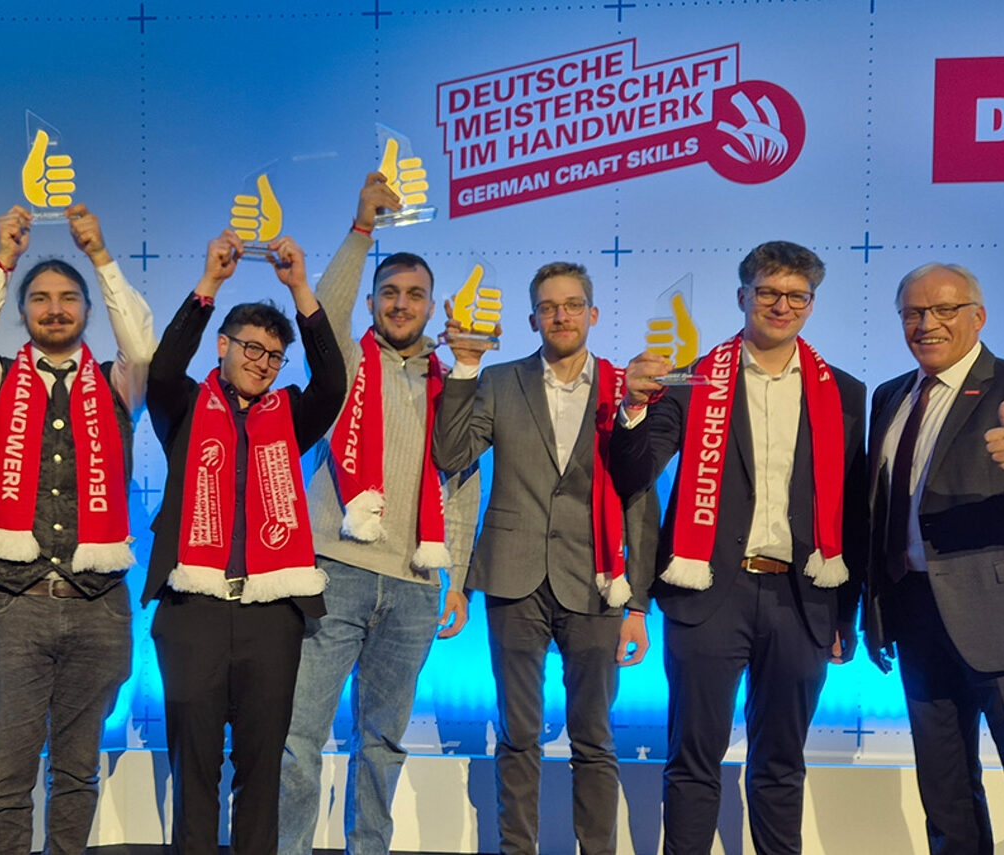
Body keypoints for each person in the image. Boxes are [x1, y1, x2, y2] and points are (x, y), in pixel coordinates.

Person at [610, 240, 867, 855]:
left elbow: (854, 513)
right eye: (768, 292)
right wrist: (631, 408)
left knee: (782, 764)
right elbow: (634, 472)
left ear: (811, 304)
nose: (782, 305)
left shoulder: (846, 393)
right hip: (708, 598)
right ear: (742, 296)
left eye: (796, 296)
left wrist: (845, 614)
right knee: (693, 760)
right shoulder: (690, 380)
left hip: (803, 599)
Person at [278, 173, 480, 855]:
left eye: (414, 295)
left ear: (432, 306)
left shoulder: (456, 380)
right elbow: (324, 311)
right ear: (372, 301)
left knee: (383, 740)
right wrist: (361, 226)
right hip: (336, 569)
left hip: (417, 583)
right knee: (299, 733)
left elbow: (461, 482)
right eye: (388, 294)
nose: (400, 304)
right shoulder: (342, 364)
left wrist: (456, 575)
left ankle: (370, 848)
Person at [0, 203, 155, 855]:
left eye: (69, 298)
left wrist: (100, 255)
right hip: (11, 608)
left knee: (77, 772)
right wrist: (3, 260)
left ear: (89, 310)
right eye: (40, 299)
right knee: (6, 781)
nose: (55, 309)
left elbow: (142, 343)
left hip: (97, 609)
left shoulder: (119, 384)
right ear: (23, 310)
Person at [433, 261, 657, 855]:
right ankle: (518, 849)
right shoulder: (499, 380)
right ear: (532, 318)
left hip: (597, 581)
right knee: (518, 733)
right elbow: (452, 452)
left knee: (594, 736)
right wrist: (463, 367)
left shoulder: (621, 386)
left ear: (593, 314)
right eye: (549, 307)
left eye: (573, 304)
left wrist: (637, 603)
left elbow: (639, 498)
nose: (561, 315)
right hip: (512, 574)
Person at [144, 230, 346, 855]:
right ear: (224, 347)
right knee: (196, 767)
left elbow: (333, 383)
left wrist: (301, 290)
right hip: (193, 610)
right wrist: (210, 285)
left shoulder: (290, 412)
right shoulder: (183, 406)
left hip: (271, 616)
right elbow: (163, 367)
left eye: (274, 355)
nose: (262, 362)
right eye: (251, 348)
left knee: (263, 771)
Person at [867, 263, 1004, 855]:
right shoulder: (890, 395)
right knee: (945, 792)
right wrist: (871, 612)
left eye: (945, 310)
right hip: (915, 614)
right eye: (913, 312)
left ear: (978, 316)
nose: (928, 324)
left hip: (996, 616)